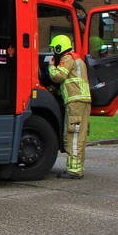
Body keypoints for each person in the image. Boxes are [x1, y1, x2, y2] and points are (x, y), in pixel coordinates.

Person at [48, 34, 91, 179]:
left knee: (73, 135)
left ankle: (74, 171)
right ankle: (78, 167)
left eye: (54, 49)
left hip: (75, 102)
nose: (53, 52)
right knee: (80, 135)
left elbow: (58, 76)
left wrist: (51, 66)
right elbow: (70, 82)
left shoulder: (67, 58)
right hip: (82, 101)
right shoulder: (78, 59)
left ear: (59, 48)